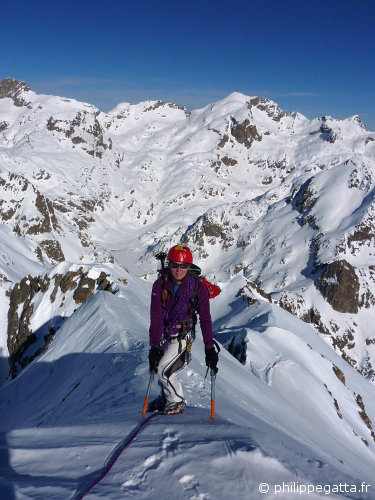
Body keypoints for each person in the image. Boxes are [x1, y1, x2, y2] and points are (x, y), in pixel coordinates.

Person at [148, 244, 219, 414]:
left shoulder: (197, 287)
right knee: (158, 363)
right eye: (174, 265)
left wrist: (209, 348)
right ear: (169, 264)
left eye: (183, 266)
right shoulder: (159, 285)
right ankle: (166, 396)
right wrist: (155, 346)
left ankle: (176, 401)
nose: (178, 270)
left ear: (189, 266)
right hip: (165, 334)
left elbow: (205, 318)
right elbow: (156, 317)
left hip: (182, 336)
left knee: (163, 371)